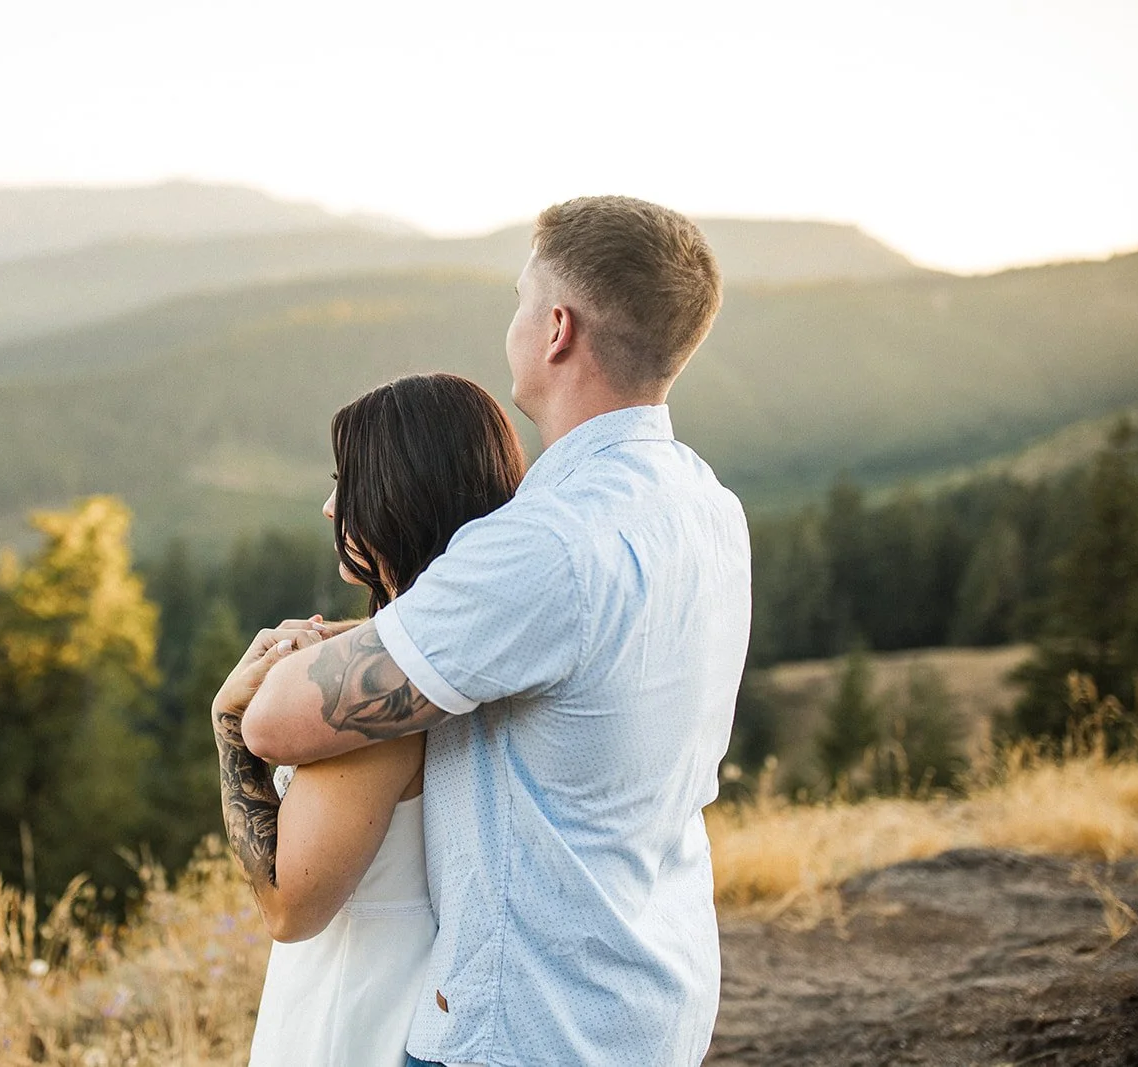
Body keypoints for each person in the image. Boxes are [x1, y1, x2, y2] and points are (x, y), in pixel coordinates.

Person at [239, 196, 752, 1066]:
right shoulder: (703, 502)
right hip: (653, 993)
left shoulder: (541, 546)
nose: (511, 322)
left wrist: (263, 683)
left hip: (531, 1025)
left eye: (519, 299)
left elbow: (273, 719)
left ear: (556, 327)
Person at [210, 373, 526, 1067]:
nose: (329, 507)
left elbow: (289, 909)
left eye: (346, 483)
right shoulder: (468, 655)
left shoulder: (375, 715)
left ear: (398, 497)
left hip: (359, 995)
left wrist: (230, 725)